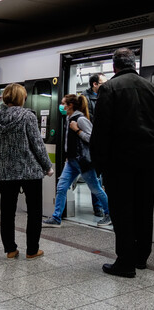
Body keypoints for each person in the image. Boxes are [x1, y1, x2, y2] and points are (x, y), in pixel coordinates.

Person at [90, 48, 154, 278]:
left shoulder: (109, 88)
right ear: (134, 64)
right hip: (148, 161)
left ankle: (125, 262)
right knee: (144, 209)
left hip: (120, 162)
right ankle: (141, 258)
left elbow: (101, 130)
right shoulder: (150, 87)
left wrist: (99, 163)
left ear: (114, 66)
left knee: (122, 211)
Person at [0, 83, 54, 259]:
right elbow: (37, 145)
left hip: (6, 172)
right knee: (34, 211)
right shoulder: (27, 116)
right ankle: (32, 250)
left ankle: (10, 249)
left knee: (7, 212)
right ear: (21, 98)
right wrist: (47, 166)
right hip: (30, 172)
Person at [43, 94, 109, 227]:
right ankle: (56, 218)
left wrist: (77, 130)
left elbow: (93, 139)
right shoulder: (69, 118)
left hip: (83, 162)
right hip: (71, 161)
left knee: (95, 189)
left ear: (70, 105)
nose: (61, 106)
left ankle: (110, 214)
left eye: (63, 103)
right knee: (61, 187)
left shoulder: (80, 119)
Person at [82, 73, 108, 217]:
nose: (106, 84)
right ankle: (98, 206)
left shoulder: (104, 95)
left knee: (100, 178)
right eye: (103, 82)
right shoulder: (85, 99)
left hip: (103, 141)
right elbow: (89, 120)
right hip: (92, 142)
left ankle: (105, 206)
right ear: (95, 84)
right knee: (95, 178)